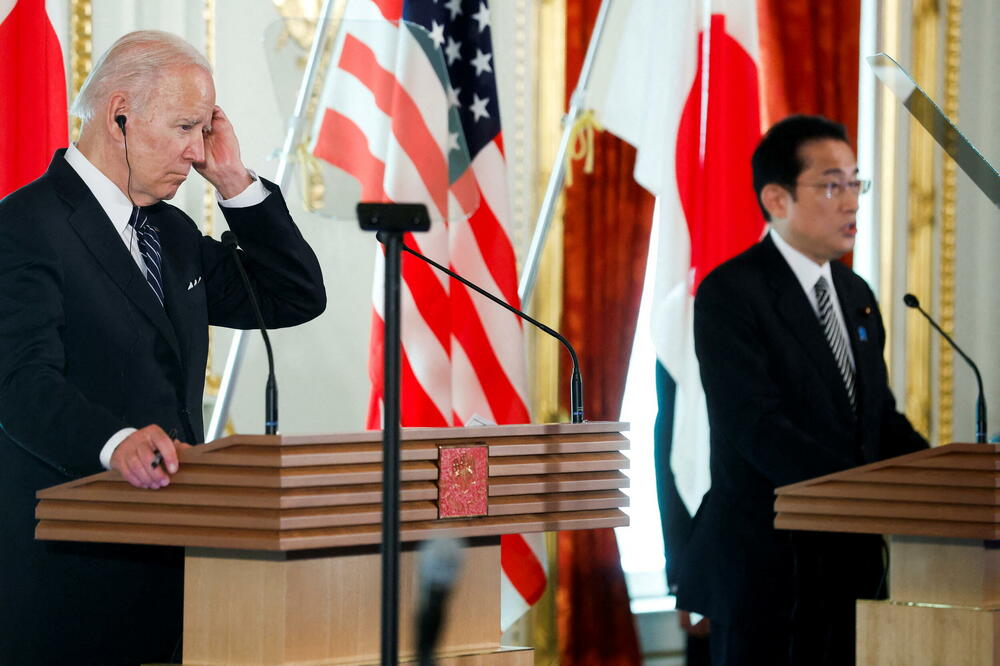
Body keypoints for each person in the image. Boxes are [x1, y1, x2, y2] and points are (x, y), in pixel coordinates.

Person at [0, 30, 326, 663]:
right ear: (120, 115)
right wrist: (116, 441)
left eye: (205, 130)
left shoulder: (172, 232)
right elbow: (19, 383)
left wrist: (234, 181)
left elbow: (293, 295)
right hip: (71, 579)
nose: (195, 152)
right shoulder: (24, 226)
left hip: (179, 573)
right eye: (185, 128)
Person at [675, 115, 928, 666]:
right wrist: (867, 492)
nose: (851, 202)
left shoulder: (855, 292)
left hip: (850, 570)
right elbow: (756, 426)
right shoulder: (731, 292)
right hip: (767, 571)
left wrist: (945, 478)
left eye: (855, 182)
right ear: (777, 198)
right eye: (831, 184)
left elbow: (877, 418)